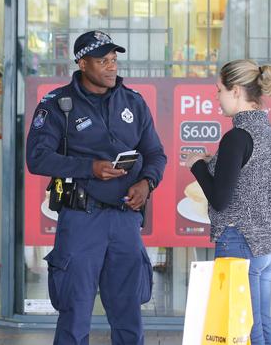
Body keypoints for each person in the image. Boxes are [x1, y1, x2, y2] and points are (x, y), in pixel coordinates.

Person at [26, 30, 167, 345]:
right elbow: (36, 158)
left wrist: (147, 182)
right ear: (82, 63)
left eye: (113, 59)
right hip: (81, 221)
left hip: (125, 219)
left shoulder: (134, 101)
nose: (110, 66)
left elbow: (156, 154)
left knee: (129, 314)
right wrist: (88, 168)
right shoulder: (57, 104)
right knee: (75, 314)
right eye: (102, 60)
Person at [182, 59, 271, 345]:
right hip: (268, 245)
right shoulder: (269, 133)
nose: (216, 97)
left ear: (237, 91)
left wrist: (196, 166)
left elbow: (220, 198)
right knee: (261, 328)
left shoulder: (237, 136)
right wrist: (212, 162)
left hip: (240, 242)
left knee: (242, 333)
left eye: (219, 90)